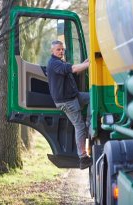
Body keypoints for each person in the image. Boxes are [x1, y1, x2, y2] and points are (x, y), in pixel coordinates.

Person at [46, 40, 92, 169]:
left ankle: (89, 123)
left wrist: (87, 61)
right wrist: (89, 63)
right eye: (58, 50)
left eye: (62, 49)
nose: (61, 51)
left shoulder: (60, 62)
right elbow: (74, 68)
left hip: (74, 96)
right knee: (79, 126)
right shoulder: (55, 63)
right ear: (52, 51)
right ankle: (83, 158)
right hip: (66, 101)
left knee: (93, 97)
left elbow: (74, 71)